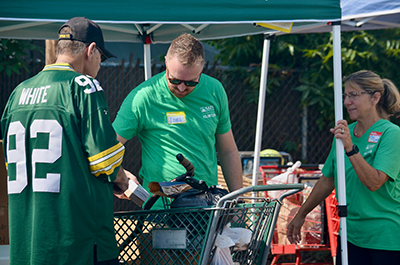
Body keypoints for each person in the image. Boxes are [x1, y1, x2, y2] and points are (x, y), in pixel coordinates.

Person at [1, 17, 136, 265]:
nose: (99, 65)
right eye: (101, 58)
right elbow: (105, 162)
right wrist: (124, 180)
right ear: (91, 50)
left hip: (29, 243)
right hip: (77, 242)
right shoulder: (84, 86)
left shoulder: (17, 92)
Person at [112, 33, 243, 208]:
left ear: (202, 69)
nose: (181, 88)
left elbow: (227, 150)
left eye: (191, 83)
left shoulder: (214, 90)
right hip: (160, 210)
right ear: (166, 62)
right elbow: (107, 146)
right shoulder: (143, 97)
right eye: (175, 80)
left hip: (207, 206)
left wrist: (237, 199)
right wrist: (119, 174)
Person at [286, 70, 400, 265]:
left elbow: (374, 182)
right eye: (345, 96)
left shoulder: (391, 133)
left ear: (375, 97)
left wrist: (349, 147)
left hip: (385, 237)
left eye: (354, 95)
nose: (347, 102)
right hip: (350, 234)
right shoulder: (344, 134)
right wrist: (302, 213)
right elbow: (328, 179)